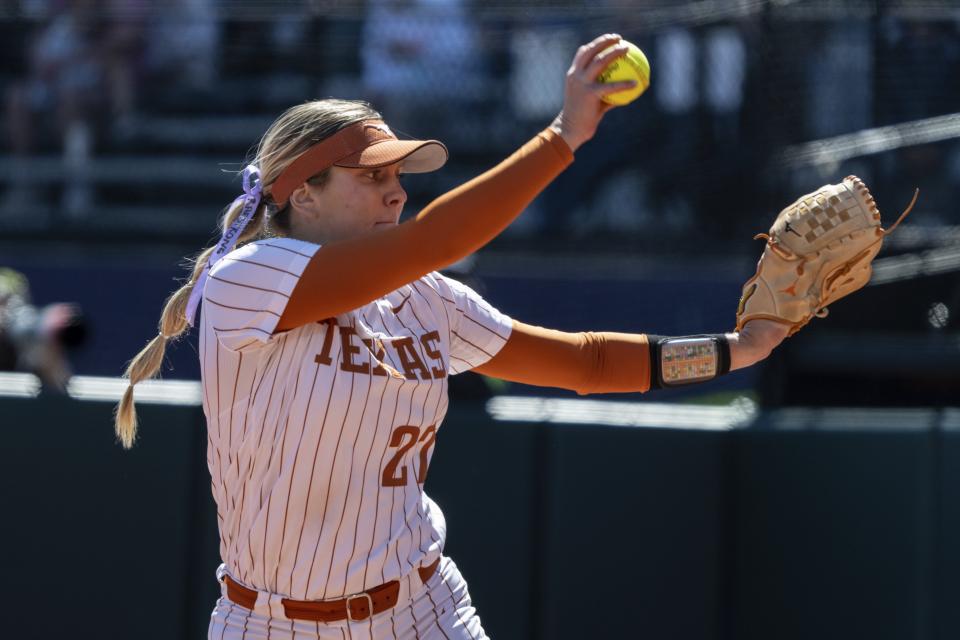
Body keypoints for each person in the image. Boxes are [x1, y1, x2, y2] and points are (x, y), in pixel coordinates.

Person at [115, 34, 788, 640]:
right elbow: (439, 237)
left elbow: (586, 363)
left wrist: (740, 348)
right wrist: (563, 136)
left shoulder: (425, 300)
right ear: (303, 195)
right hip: (267, 623)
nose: (396, 193)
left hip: (421, 613)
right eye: (372, 176)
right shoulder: (247, 280)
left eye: (399, 177)